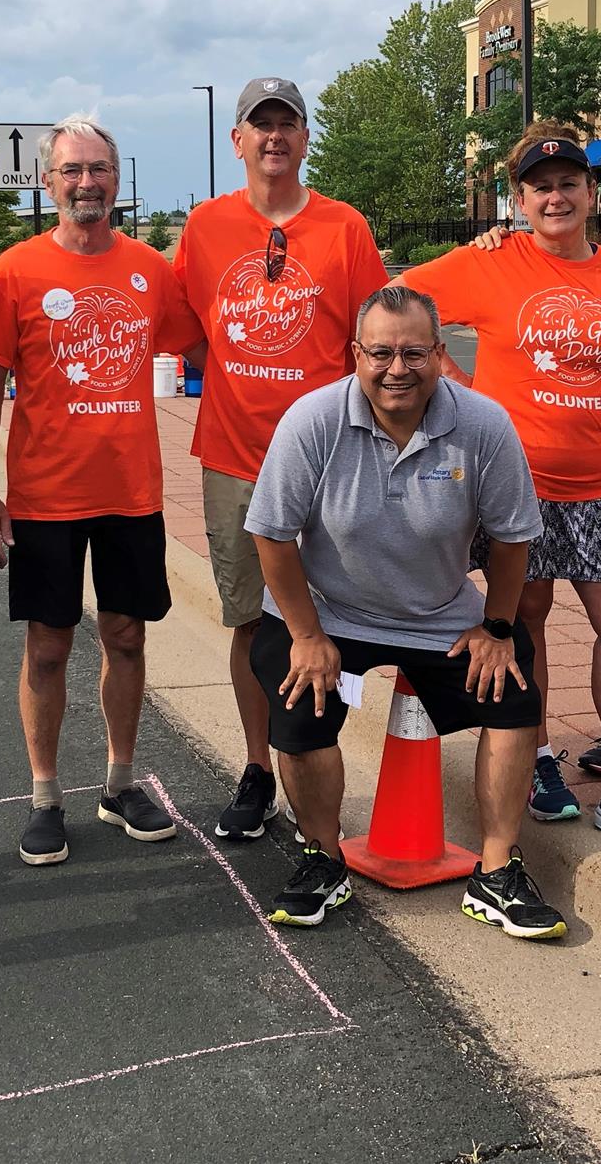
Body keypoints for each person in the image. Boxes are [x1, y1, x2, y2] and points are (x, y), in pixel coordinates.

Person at [403, 123, 601, 850]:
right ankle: (536, 757)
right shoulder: (492, 263)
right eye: (539, 187)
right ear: (518, 200)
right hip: (516, 485)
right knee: (525, 620)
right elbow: (395, 301)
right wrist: (457, 383)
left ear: (590, 191)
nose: (555, 196)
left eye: (568, 183)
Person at [244, 286, 564, 938]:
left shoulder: (483, 424)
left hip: (440, 612)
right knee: (291, 682)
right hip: (331, 610)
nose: (398, 368)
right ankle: (322, 856)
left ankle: (498, 870)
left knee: (515, 687)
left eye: (415, 352)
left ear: (441, 355)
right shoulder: (313, 420)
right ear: (355, 354)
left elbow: (513, 535)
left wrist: (498, 627)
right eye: (382, 352)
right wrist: (306, 633)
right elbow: (272, 534)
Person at [0, 116, 206, 866]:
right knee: (47, 647)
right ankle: (46, 795)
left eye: (99, 170)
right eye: (72, 171)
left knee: (127, 637)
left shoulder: (149, 267)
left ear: (116, 179)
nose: (86, 184)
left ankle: (118, 782)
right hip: (45, 495)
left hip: (130, 493)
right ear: (48, 182)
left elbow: (199, 342)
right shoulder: (15, 270)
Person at [172, 77, 389, 842]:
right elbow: (187, 328)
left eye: (286, 124)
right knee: (250, 623)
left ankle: (317, 769)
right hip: (235, 457)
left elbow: (374, 337)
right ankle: (260, 766)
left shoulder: (344, 227)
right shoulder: (203, 227)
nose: (273, 137)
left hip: (333, 458)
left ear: (303, 139)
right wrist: (230, 378)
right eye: (258, 125)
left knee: (331, 615)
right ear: (238, 140)